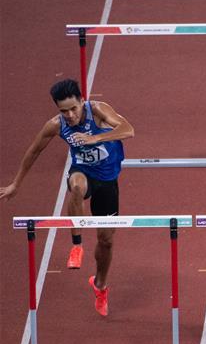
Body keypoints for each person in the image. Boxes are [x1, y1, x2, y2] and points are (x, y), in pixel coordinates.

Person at [0, 79, 133, 317]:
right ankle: (76, 245)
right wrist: (15, 184)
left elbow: (128, 130)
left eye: (74, 108)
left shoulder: (99, 111)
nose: (70, 115)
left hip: (108, 181)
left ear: (82, 101)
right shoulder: (56, 125)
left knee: (106, 241)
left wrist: (95, 138)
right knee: (77, 187)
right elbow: (34, 150)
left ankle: (100, 285)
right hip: (83, 172)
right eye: (64, 111)